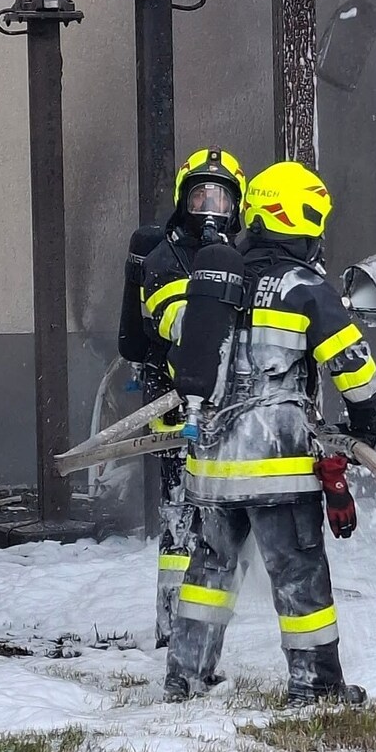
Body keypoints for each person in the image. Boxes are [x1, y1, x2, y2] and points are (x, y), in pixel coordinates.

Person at [163, 160, 376, 704]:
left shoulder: (213, 280)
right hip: (277, 471)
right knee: (298, 574)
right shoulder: (306, 287)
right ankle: (315, 688)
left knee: (208, 573)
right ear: (302, 220)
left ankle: (184, 679)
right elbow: (353, 369)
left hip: (211, 469)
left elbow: (183, 355)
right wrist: (364, 427)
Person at [118, 147, 247, 652]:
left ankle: (208, 615)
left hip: (221, 395)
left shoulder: (239, 255)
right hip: (171, 396)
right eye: (200, 197)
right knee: (180, 505)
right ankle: (172, 623)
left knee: (218, 503)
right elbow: (178, 327)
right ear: (182, 202)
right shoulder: (162, 258)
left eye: (221, 197)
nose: (211, 209)